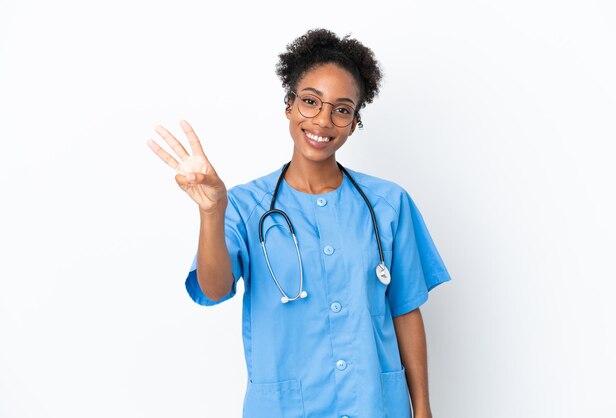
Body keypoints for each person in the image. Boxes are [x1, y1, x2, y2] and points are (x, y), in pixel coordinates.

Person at [147, 28, 451, 418]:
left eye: (341, 109)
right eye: (310, 102)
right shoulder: (243, 205)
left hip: (375, 405)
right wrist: (211, 213)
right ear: (289, 106)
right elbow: (215, 288)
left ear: (355, 122)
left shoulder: (389, 204)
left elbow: (406, 309)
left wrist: (422, 409)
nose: (323, 120)